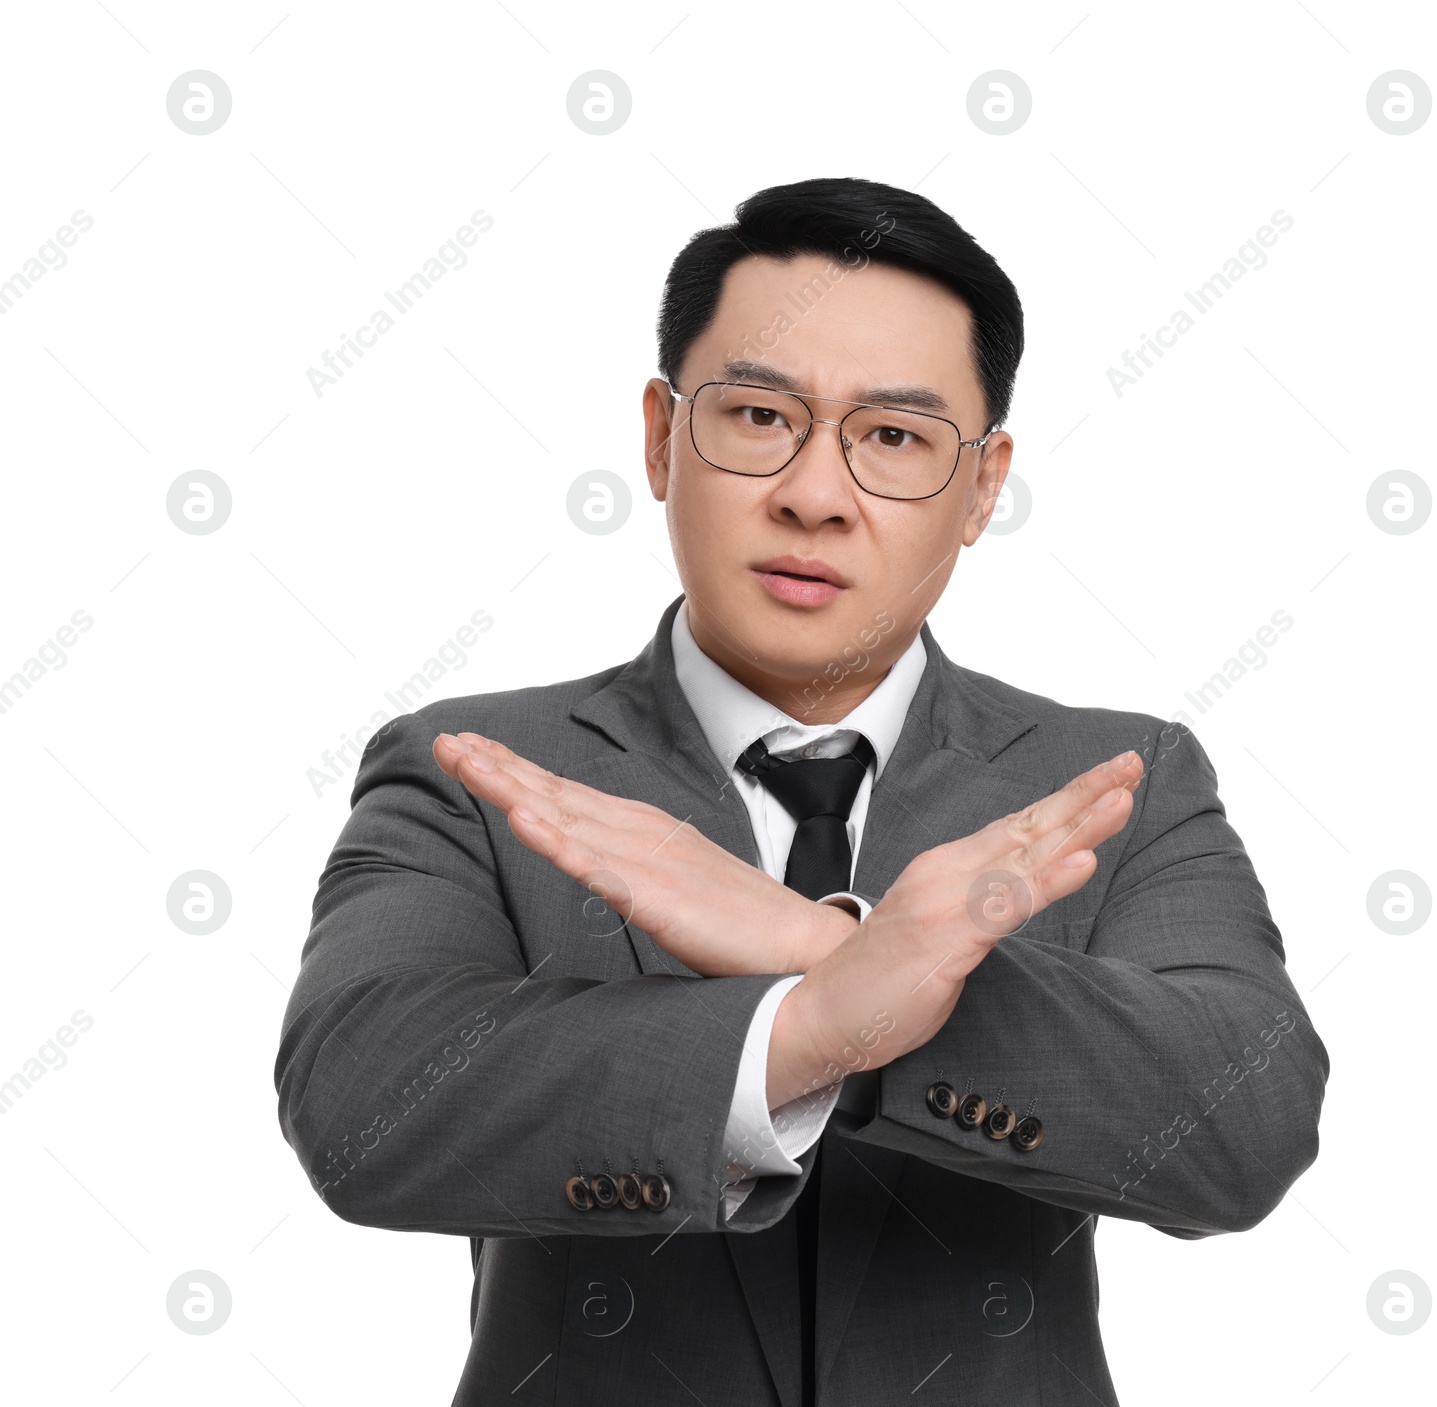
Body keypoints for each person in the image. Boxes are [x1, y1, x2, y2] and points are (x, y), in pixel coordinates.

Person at [274, 175, 1330, 1406]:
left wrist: (813, 949)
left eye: (892, 438)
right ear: (663, 438)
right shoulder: (478, 770)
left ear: (982, 487)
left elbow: (1245, 1124)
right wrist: (815, 1028)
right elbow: (362, 1110)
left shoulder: (1110, 782)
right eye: (761, 416)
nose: (813, 495)